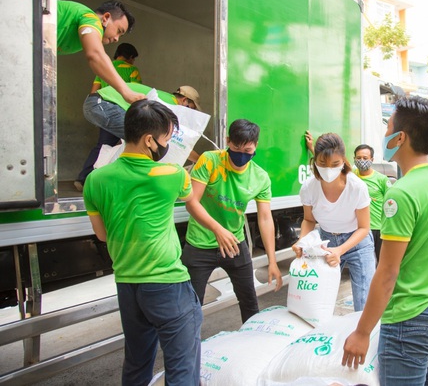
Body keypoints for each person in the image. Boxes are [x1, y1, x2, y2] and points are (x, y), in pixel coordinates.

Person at [83, 100, 202, 385]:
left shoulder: (95, 179)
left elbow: (101, 235)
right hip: (167, 282)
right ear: (150, 140)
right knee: (181, 369)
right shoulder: (172, 174)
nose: (167, 145)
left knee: (137, 364)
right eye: (167, 139)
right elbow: (189, 196)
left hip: (127, 284)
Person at [342, 96, 428, 385]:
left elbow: (387, 274)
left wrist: (362, 332)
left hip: (410, 319)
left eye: (388, 128)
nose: (385, 135)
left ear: (400, 137)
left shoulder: (401, 193)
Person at [181, 119, 283, 322]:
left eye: (247, 150)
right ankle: (188, 353)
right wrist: (218, 230)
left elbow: (264, 218)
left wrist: (272, 260)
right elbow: (192, 203)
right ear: (228, 141)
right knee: (189, 309)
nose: (241, 154)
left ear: (255, 146)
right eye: (235, 148)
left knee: (249, 303)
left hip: (235, 245)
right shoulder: (209, 160)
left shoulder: (260, 177)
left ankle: (250, 345)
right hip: (200, 243)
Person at [293, 133, 376, 312]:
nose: (328, 169)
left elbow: (364, 227)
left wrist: (340, 250)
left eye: (335, 164)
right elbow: (309, 220)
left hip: (357, 245)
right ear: (315, 161)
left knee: (364, 303)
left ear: (344, 161)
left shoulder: (357, 187)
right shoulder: (309, 187)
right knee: (318, 300)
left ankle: (364, 338)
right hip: (326, 243)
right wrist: (301, 242)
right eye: (323, 164)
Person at [75, 43, 144, 191]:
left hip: (103, 109)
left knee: (103, 145)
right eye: (133, 59)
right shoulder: (132, 70)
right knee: (134, 142)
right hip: (120, 111)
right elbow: (136, 92)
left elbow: (94, 91)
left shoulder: (105, 68)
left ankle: (83, 178)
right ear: (131, 57)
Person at [57, 0, 145, 104]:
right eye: (119, 31)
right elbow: (96, 55)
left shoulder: (80, 36)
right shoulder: (90, 18)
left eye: (120, 36)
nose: (117, 39)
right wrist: (127, 93)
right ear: (106, 18)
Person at [353, 144, 392, 262]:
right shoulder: (351, 176)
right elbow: (332, 165)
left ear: (372, 160)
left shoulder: (381, 179)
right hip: (360, 229)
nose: (361, 161)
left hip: (379, 228)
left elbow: (391, 202)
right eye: (358, 158)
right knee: (364, 263)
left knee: (382, 263)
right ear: (354, 159)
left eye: (365, 158)